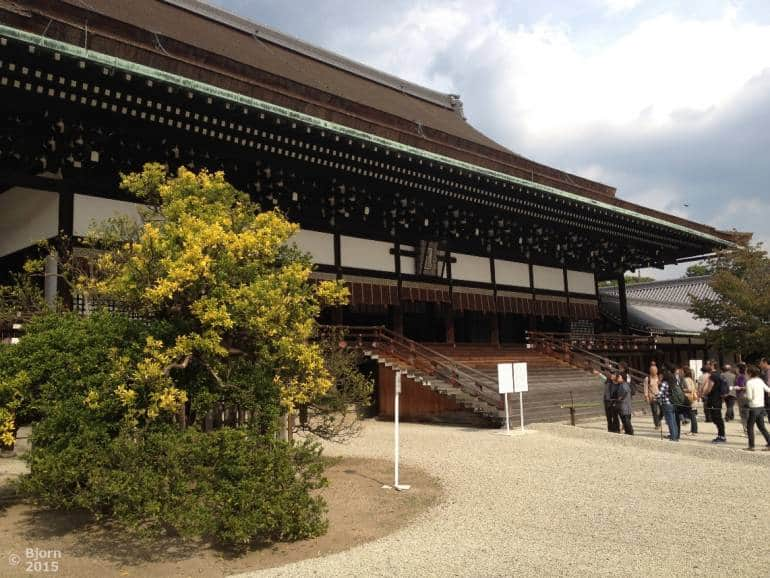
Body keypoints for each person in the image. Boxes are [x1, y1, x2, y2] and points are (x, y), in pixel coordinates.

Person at [743, 366, 770, 451]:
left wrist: (745, 395)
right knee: (762, 427)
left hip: (754, 407)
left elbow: (750, 397)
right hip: (761, 406)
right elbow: (768, 390)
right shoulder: (760, 380)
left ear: (750, 373)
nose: (745, 374)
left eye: (746, 372)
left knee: (750, 426)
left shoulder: (749, 383)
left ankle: (751, 446)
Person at [702, 361, 727, 443]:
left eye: (708, 364)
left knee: (716, 418)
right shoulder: (720, 374)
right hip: (718, 399)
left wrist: (704, 393)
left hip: (713, 399)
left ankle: (721, 436)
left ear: (712, 366)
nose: (707, 365)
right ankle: (721, 435)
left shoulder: (713, 376)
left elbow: (709, 388)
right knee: (717, 418)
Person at [657, 369, 679, 441]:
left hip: (666, 403)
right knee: (673, 420)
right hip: (673, 403)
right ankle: (675, 436)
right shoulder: (674, 383)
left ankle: (673, 437)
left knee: (670, 421)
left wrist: (656, 397)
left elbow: (660, 394)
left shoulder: (664, 383)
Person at [679, 366, 699, 436]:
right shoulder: (690, 379)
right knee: (692, 415)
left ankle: (694, 431)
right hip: (693, 398)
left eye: (681, 372)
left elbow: (690, 389)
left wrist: (681, 389)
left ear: (684, 372)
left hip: (690, 399)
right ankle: (693, 430)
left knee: (692, 415)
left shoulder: (686, 379)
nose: (680, 373)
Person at [600, 369, 620, 433]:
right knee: (608, 417)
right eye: (611, 374)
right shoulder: (608, 381)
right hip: (607, 401)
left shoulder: (618, 383)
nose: (612, 375)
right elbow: (606, 392)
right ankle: (610, 429)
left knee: (615, 416)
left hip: (614, 401)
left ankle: (616, 429)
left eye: (613, 374)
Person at [643, 362, 662, 429]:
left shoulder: (659, 378)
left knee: (662, 409)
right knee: (654, 411)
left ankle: (658, 419)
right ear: (650, 371)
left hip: (659, 396)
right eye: (653, 371)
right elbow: (645, 388)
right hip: (652, 396)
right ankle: (657, 424)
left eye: (656, 370)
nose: (655, 372)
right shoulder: (647, 379)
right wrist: (646, 396)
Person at [734, 363, 749, 434]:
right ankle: (747, 429)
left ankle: (746, 430)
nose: (735, 369)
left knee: (743, 414)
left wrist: (738, 387)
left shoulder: (740, 377)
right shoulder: (747, 376)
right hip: (745, 396)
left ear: (739, 369)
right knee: (746, 413)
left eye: (736, 368)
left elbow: (743, 386)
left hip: (742, 396)